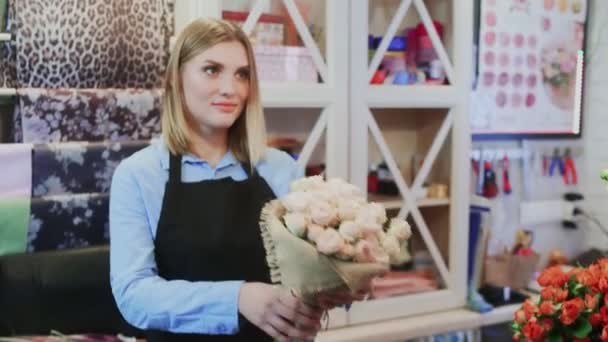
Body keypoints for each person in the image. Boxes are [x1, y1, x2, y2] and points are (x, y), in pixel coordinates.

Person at [109, 18, 359, 341]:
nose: (231, 89)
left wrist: (337, 286)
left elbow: (316, 269)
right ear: (175, 79)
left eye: (242, 74)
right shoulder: (138, 176)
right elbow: (134, 295)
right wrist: (239, 298)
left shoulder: (280, 169)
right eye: (212, 70)